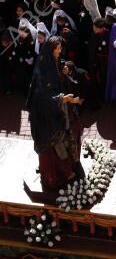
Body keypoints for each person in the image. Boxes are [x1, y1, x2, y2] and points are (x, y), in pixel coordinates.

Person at [26, 36, 84, 190]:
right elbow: (41, 97)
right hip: (47, 118)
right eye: (57, 48)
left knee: (68, 137)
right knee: (55, 145)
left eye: (59, 47)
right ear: (50, 50)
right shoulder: (42, 71)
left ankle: (69, 169)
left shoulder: (56, 63)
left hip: (61, 112)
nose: (60, 50)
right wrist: (62, 99)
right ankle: (57, 176)